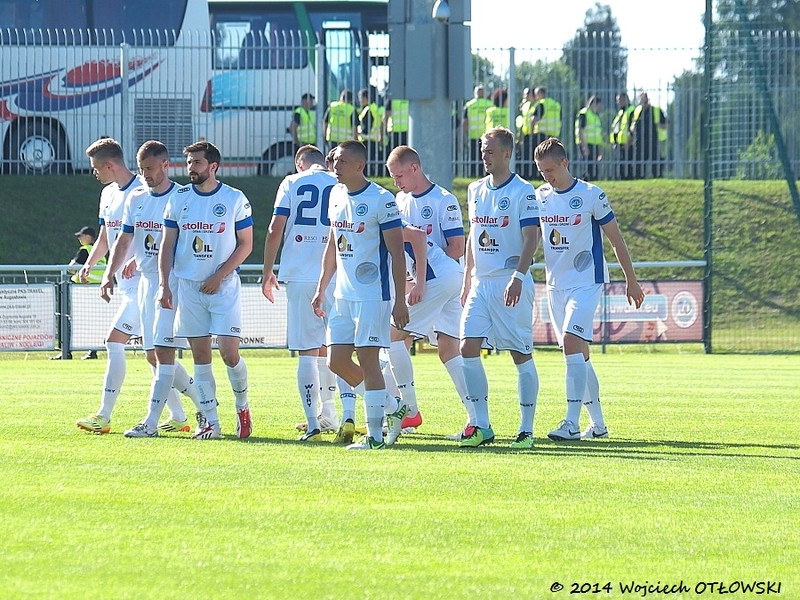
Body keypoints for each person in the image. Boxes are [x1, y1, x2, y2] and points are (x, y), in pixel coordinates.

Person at [533, 137, 645, 441]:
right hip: (555, 285)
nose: (547, 176)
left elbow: (616, 239)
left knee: (572, 342)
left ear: (565, 163)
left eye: (550, 170)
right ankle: (598, 425)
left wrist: (631, 280)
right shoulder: (540, 196)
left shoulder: (591, 194)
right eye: (541, 171)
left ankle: (571, 422)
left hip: (586, 282)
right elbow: (531, 236)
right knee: (578, 354)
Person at [98, 140, 204, 438]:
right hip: (145, 283)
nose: (145, 174)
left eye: (150, 168)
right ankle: (205, 406)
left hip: (171, 283)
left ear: (165, 165)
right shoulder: (137, 198)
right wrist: (109, 273)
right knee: (153, 356)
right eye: (141, 168)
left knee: (162, 352)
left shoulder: (183, 197)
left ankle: (152, 422)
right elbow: (125, 239)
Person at [311, 140, 409, 450]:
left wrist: (400, 300)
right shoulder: (335, 194)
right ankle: (393, 406)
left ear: (359, 165)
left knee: (368, 360)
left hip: (372, 295)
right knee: (336, 361)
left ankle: (375, 436)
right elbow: (332, 243)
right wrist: (321, 287)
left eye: (341, 161)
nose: (335, 166)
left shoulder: (382, 200)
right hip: (342, 295)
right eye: (333, 160)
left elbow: (398, 253)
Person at [159, 140, 254, 440]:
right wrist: (164, 284)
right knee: (200, 356)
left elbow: (246, 245)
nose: (191, 168)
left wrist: (219, 275)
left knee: (228, 353)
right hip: (189, 288)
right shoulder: (179, 198)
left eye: (197, 162)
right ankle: (211, 422)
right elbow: (167, 245)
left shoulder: (234, 198)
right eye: (189, 162)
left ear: (213, 166)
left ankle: (242, 406)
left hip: (224, 288)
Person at [459, 127, 540, 449]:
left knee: (520, 354)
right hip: (481, 284)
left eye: (490, 151)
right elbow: (473, 234)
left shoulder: (523, 191)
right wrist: (467, 278)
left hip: (510, 280)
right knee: (467, 348)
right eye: (482, 150)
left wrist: (518, 277)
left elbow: (532, 237)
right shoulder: (475, 189)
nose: (484, 156)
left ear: (507, 154)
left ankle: (526, 429)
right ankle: (482, 425)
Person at [384, 145, 470, 435]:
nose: (396, 182)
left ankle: (407, 411)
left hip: (438, 280)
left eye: (399, 175)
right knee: (448, 350)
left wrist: (424, 278)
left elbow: (456, 247)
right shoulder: (399, 200)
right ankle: (477, 419)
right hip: (439, 280)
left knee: (392, 337)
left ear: (414, 168)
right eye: (392, 177)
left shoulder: (443, 199)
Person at [262, 144, 341, 441]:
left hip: (300, 273)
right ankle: (332, 412)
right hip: (336, 273)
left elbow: (275, 228)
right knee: (336, 345)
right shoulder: (339, 181)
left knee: (307, 351)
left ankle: (313, 424)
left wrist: (267, 270)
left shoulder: (292, 182)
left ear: (299, 164)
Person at [75, 138, 146, 434]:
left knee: (114, 341)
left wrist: (141, 260)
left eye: (95, 167)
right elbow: (106, 236)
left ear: (109, 165)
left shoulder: (144, 189)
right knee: (156, 355)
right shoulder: (107, 193)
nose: (93, 173)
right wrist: (90, 264)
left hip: (146, 284)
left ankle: (103, 415)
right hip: (126, 286)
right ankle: (185, 414)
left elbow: (159, 234)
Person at [64, 226, 105, 360]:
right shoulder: (101, 252)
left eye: (81, 236)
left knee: (70, 319)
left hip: (81, 290)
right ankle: (92, 351)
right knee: (93, 322)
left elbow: (71, 268)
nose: (79, 239)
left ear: (88, 237)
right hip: (96, 289)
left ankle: (66, 351)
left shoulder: (85, 250)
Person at [629, 92, 667, 179]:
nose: (644, 103)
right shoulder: (637, 111)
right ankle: (638, 179)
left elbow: (667, 125)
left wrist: (658, 125)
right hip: (639, 141)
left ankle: (657, 178)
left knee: (656, 162)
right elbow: (632, 126)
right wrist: (633, 129)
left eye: (645, 101)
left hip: (653, 140)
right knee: (638, 163)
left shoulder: (656, 111)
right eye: (642, 101)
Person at [462, 85, 493, 177]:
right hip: (488, 136)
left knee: (473, 158)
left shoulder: (469, 105)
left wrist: (465, 135)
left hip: (473, 136)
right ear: (484, 93)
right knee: (488, 157)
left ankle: (473, 174)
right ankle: (487, 175)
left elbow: (465, 122)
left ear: (475, 93)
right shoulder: (490, 104)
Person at [574, 95, 603, 181]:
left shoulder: (596, 116)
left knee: (594, 168)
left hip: (594, 144)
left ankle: (594, 182)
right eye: (598, 106)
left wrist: (600, 149)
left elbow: (598, 134)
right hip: (586, 143)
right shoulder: (584, 113)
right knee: (586, 167)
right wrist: (584, 145)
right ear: (593, 104)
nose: (599, 108)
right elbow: (580, 130)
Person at [356, 87, 383, 176]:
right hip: (374, 137)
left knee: (366, 160)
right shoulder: (375, 107)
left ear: (365, 98)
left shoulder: (368, 110)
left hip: (367, 138)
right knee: (372, 159)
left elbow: (367, 124)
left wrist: (361, 133)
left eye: (360, 98)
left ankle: (367, 174)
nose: (360, 100)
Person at [610, 92, 635, 180]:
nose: (618, 102)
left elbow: (633, 128)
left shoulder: (631, 110)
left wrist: (630, 141)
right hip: (619, 143)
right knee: (621, 166)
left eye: (620, 100)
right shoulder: (621, 112)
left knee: (627, 166)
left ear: (626, 100)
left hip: (628, 144)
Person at [515, 87, 537, 180]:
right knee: (525, 155)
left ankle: (534, 175)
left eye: (526, 94)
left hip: (535, 134)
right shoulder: (525, 106)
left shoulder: (537, 105)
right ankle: (526, 175)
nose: (524, 96)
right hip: (526, 134)